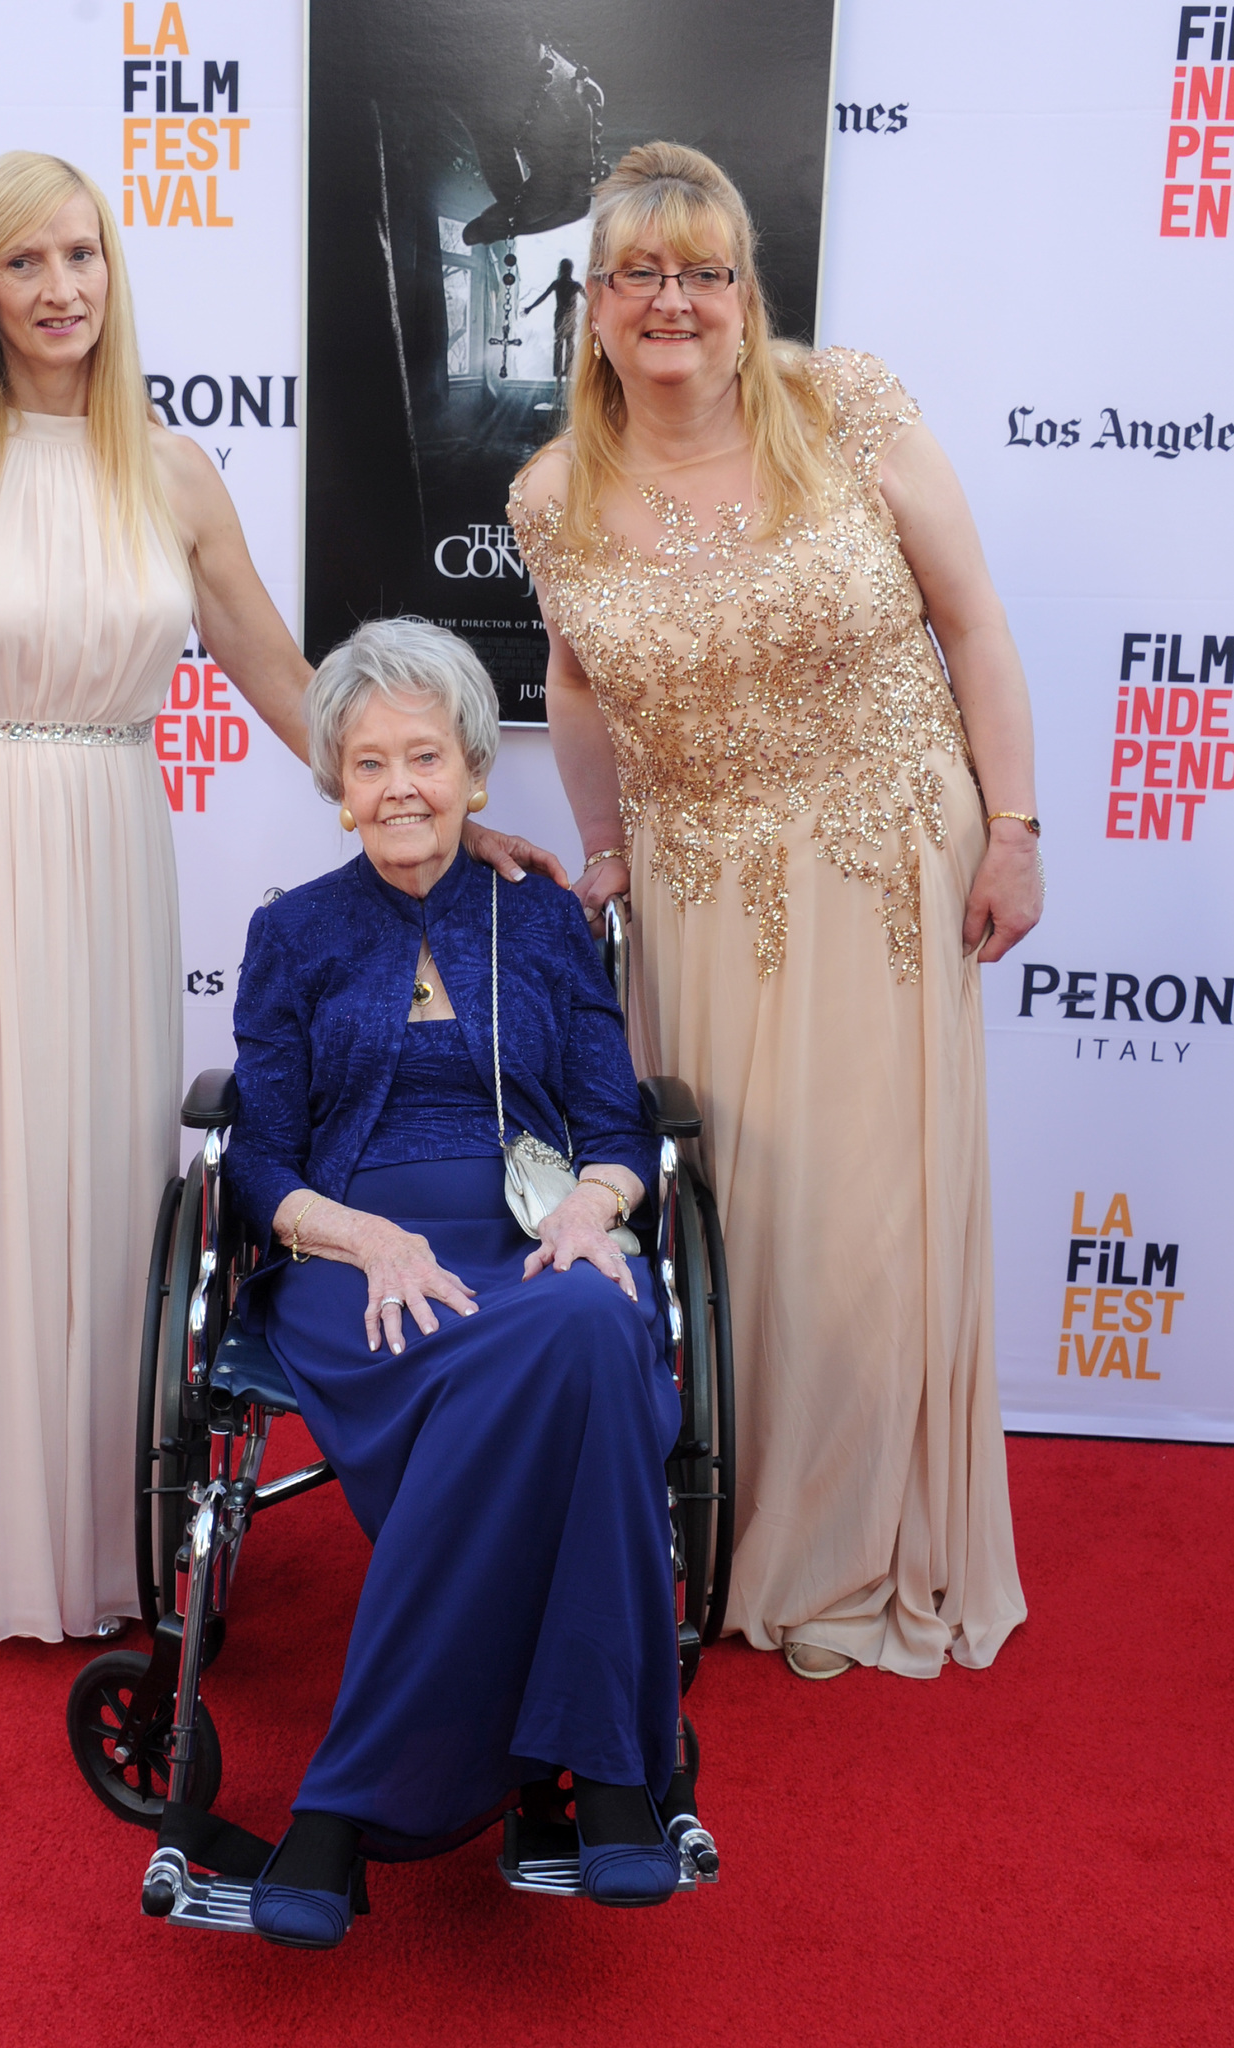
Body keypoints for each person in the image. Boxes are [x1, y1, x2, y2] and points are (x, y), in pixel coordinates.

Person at [0, 152, 559, 1668]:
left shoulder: (169, 469)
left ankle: (106, 1538)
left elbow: (289, 685)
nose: (62, 288)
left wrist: (428, 805)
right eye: (26, 263)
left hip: (102, 841)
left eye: (83, 255)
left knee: (96, 1187)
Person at [509, 143, 1038, 1683]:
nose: (673, 301)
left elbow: (973, 622)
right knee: (738, 1221)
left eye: (705, 272)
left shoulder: (844, 405)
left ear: (746, 295)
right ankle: (731, 1520)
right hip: (696, 886)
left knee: (866, 1224)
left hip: (885, 858)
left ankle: (859, 1539)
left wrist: (1011, 826)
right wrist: (599, 849)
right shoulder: (553, 493)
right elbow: (576, 681)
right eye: (638, 276)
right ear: (591, 308)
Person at [221, 618, 684, 1947]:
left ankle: (344, 1807)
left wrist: (598, 1211)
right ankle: (607, 1779)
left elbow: (611, 1119)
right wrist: (366, 1239)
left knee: (588, 1311)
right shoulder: (294, 935)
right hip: (356, 1269)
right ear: (336, 785)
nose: (401, 786)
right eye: (369, 763)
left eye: (426, 756)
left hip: (535, 1240)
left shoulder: (540, 919)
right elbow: (256, 1160)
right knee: (585, 1348)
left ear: (478, 771)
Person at [524, 257, 583, 385]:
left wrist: (530, 308)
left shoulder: (558, 284)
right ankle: (566, 375)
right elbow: (590, 299)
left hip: (561, 318)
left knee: (560, 344)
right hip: (568, 318)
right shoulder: (574, 285)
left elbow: (542, 297)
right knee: (568, 344)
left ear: (560, 269)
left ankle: (559, 377)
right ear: (570, 270)